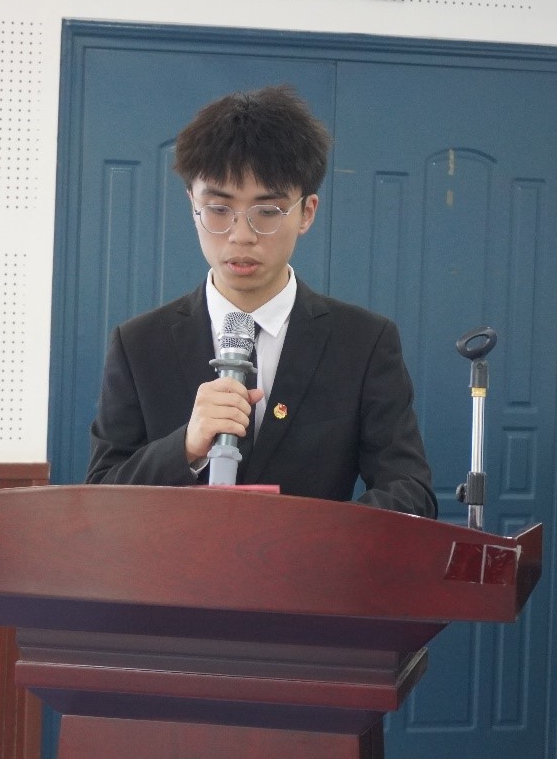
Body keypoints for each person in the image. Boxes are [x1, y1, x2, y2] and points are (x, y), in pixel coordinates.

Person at [85, 85, 436, 518]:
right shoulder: (139, 344)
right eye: (219, 209)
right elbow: (100, 497)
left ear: (307, 212)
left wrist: (315, 539)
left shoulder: (363, 342)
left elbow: (409, 490)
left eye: (267, 212)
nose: (241, 235)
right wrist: (185, 446)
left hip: (311, 562)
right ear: (192, 205)